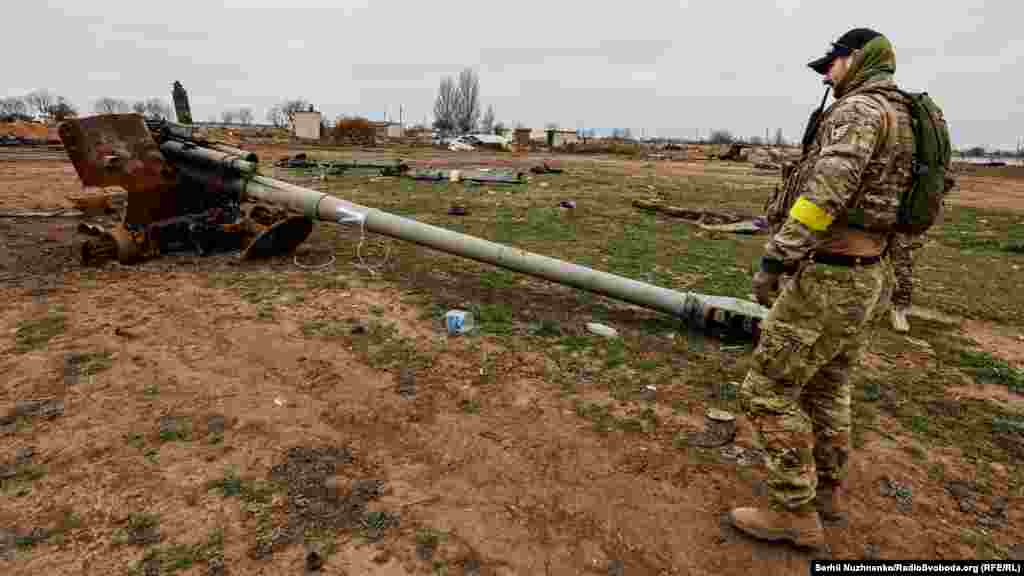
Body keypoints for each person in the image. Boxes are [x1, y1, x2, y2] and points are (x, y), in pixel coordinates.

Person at [727, 28, 917, 549]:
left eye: (830, 64)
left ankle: (794, 511)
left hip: (830, 275)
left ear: (856, 59)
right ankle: (828, 493)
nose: (827, 76)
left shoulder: (859, 112)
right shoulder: (906, 116)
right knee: (830, 385)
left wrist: (776, 258)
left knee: (765, 392)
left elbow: (825, 192)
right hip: (869, 274)